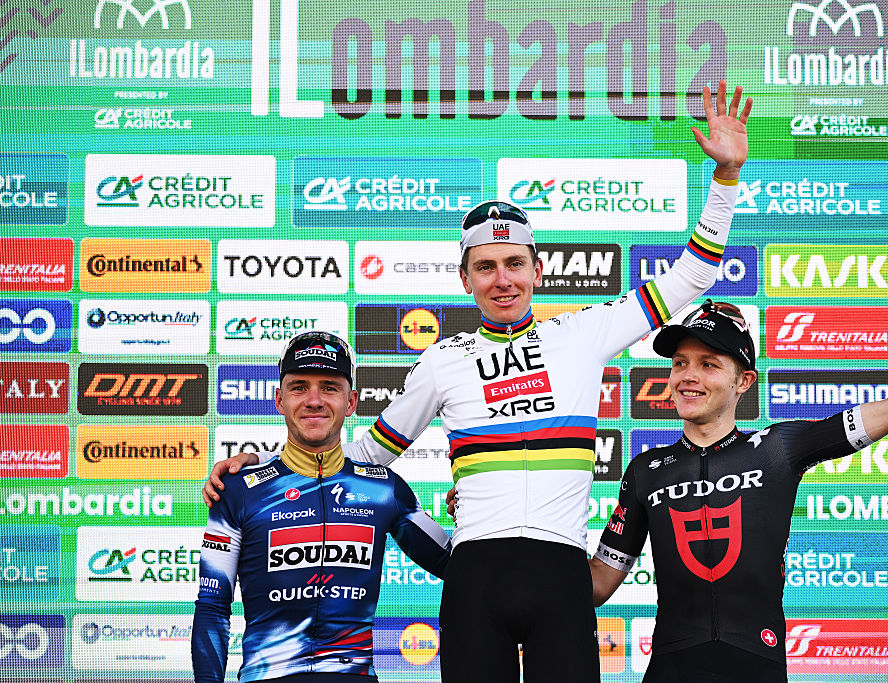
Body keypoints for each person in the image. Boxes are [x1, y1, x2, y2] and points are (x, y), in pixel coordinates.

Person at [206, 80, 753, 683]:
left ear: (538, 270)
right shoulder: (442, 359)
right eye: (485, 267)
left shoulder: (584, 333)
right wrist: (263, 464)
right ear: (465, 278)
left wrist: (725, 179)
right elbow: (360, 456)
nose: (502, 279)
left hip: (559, 576)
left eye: (514, 263)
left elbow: (693, 275)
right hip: (474, 581)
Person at [589, 253, 888, 683]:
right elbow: (598, 584)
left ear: (744, 381)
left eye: (708, 364)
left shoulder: (778, 447)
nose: (687, 376)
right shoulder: (646, 470)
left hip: (756, 665)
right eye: (679, 362)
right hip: (670, 667)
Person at [192, 331, 451, 683]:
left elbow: (458, 567)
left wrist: (474, 509)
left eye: (329, 387)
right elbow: (212, 607)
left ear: (352, 402)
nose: (314, 400)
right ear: (280, 400)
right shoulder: (238, 490)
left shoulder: (383, 489)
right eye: (299, 387)